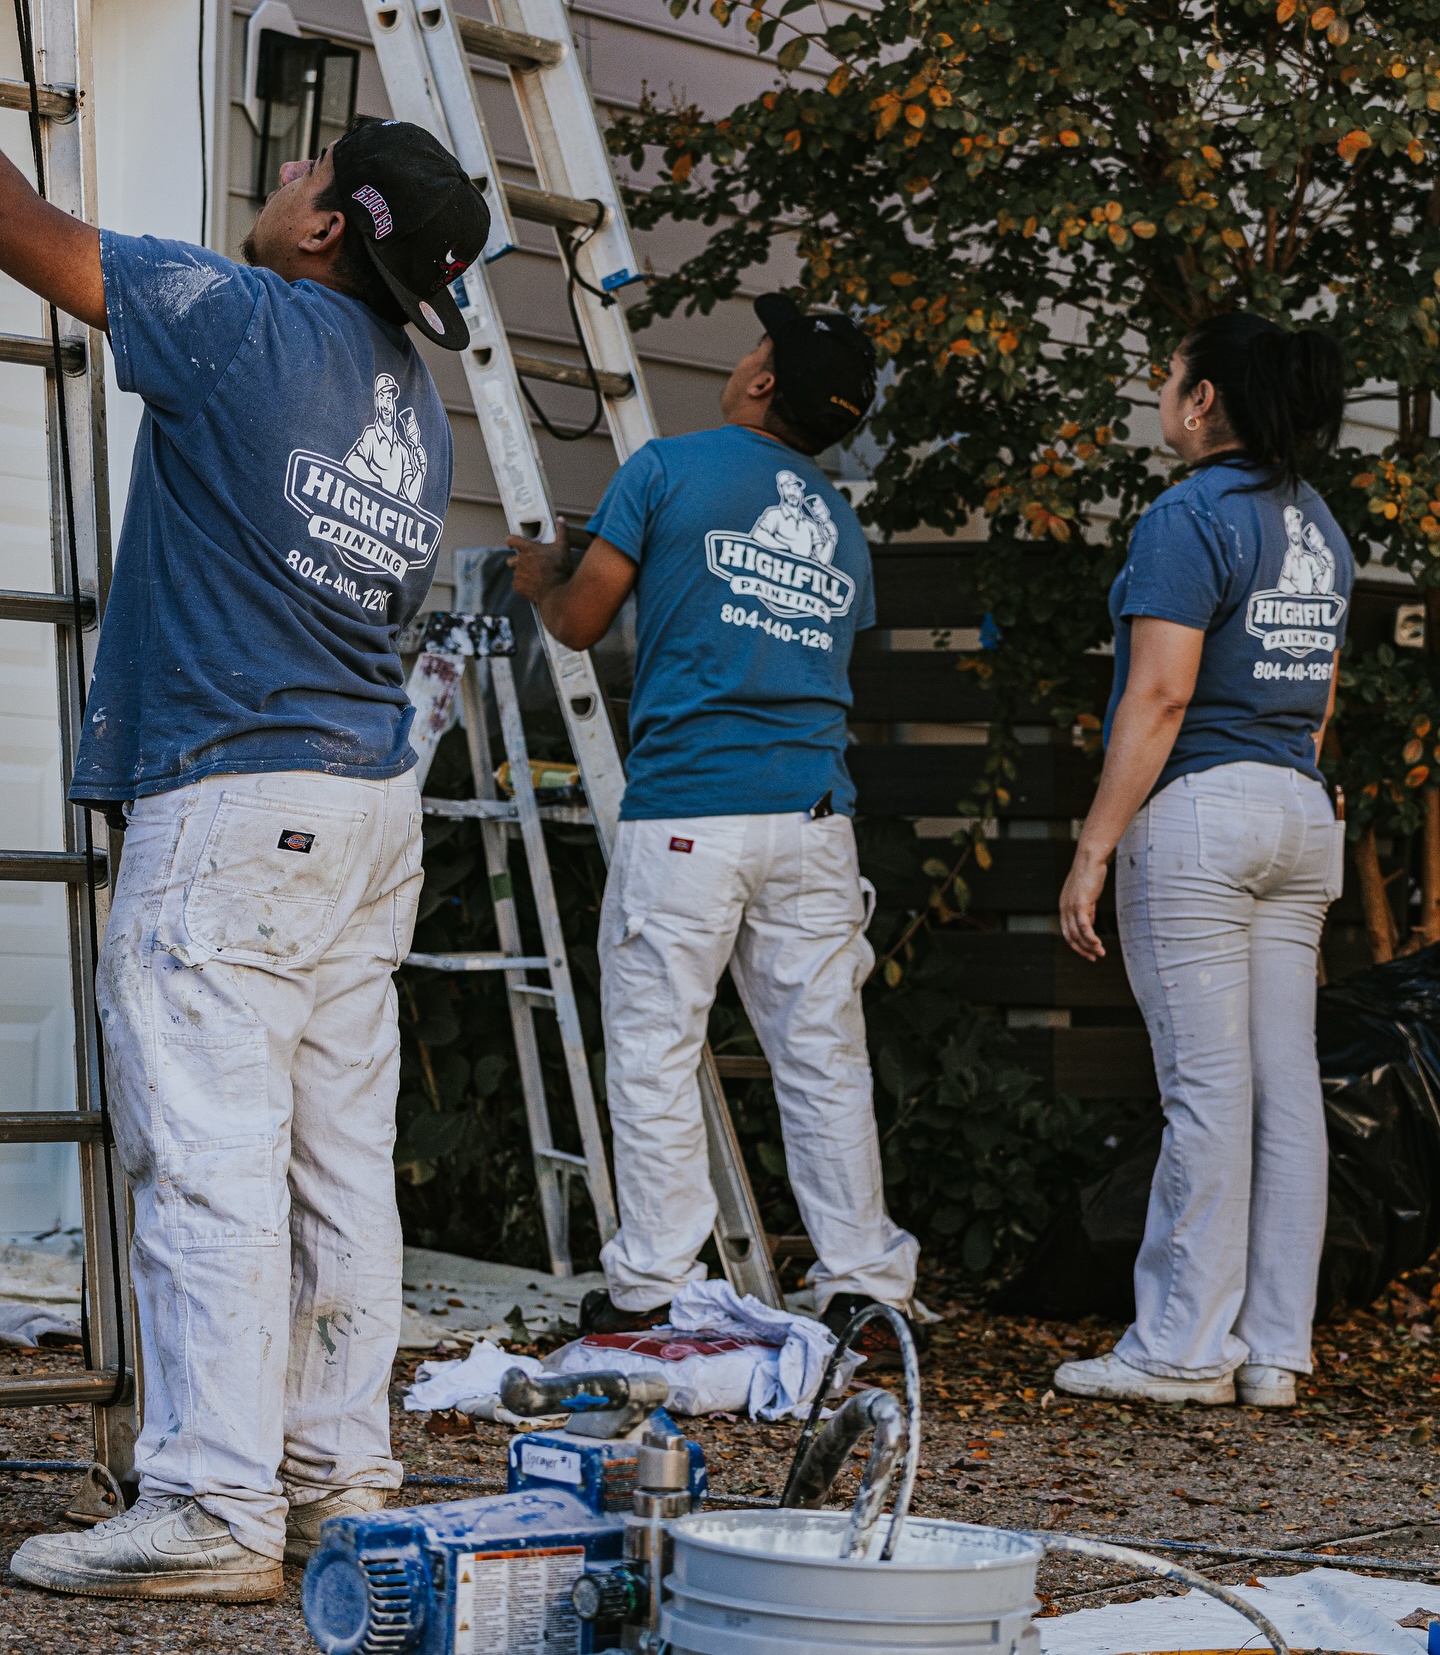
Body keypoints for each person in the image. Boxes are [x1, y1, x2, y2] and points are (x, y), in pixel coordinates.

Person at [7, 118, 489, 1600]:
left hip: (234, 806)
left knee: (208, 1155)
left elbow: (22, 230)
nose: (269, 192)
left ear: (332, 225)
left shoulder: (243, 323)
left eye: (293, 175)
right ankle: (333, 1473)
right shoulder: (413, 403)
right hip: (361, 806)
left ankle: (212, 1505)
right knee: (337, 1162)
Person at [507, 294, 923, 1361]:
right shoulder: (835, 517)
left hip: (692, 809)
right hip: (813, 819)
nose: (743, 357)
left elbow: (582, 619)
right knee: (824, 1058)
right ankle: (865, 1289)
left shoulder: (667, 469)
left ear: (762, 381)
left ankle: (649, 1293)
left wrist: (538, 576)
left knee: (654, 1052)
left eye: (755, 348)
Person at [1054, 312, 1352, 1410]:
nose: (1164, 394)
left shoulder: (1188, 518)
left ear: (1205, 399)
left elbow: (1163, 692)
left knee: (1208, 1090)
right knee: (1285, 1092)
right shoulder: (1318, 524)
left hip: (1203, 813)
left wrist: (1093, 850)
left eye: (1171, 378)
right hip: (1297, 807)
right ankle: (1275, 1348)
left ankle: (1179, 1346)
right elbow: (1317, 699)